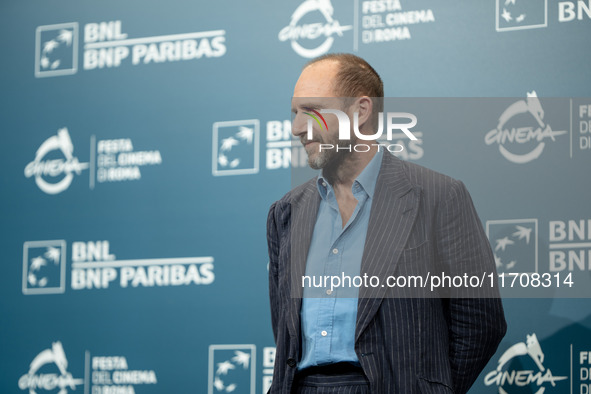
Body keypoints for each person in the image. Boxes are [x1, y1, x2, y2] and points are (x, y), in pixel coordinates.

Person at [266, 53, 506, 394]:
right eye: (294, 113)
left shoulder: (437, 196)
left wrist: (424, 387)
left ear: (360, 111)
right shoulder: (285, 213)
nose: (296, 127)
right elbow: (284, 332)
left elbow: (480, 324)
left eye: (312, 110)